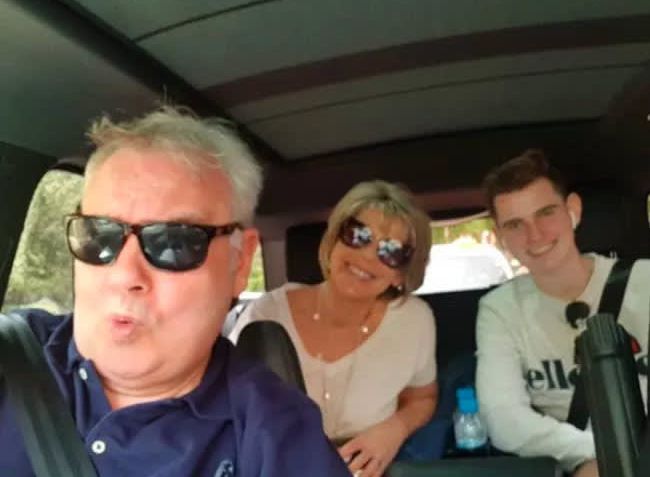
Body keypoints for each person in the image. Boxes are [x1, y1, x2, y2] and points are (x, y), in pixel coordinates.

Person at [0, 107, 351, 477]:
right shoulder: (13, 356)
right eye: (100, 235)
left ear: (240, 263)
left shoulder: (279, 436)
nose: (124, 273)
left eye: (174, 242)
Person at [230, 180, 438, 477]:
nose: (368, 256)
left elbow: (423, 398)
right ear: (333, 241)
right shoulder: (267, 314)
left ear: (401, 275)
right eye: (358, 235)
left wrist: (393, 431)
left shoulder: (414, 321)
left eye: (391, 251)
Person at [475, 149, 649, 477]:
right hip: (577, 461)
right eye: (515, 224)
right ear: (501, 239)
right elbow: (503, 418)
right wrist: (601, 454)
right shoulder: (499, 309)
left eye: (546, 213)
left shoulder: (646, 280)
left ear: (573, 211)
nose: (535, 235)